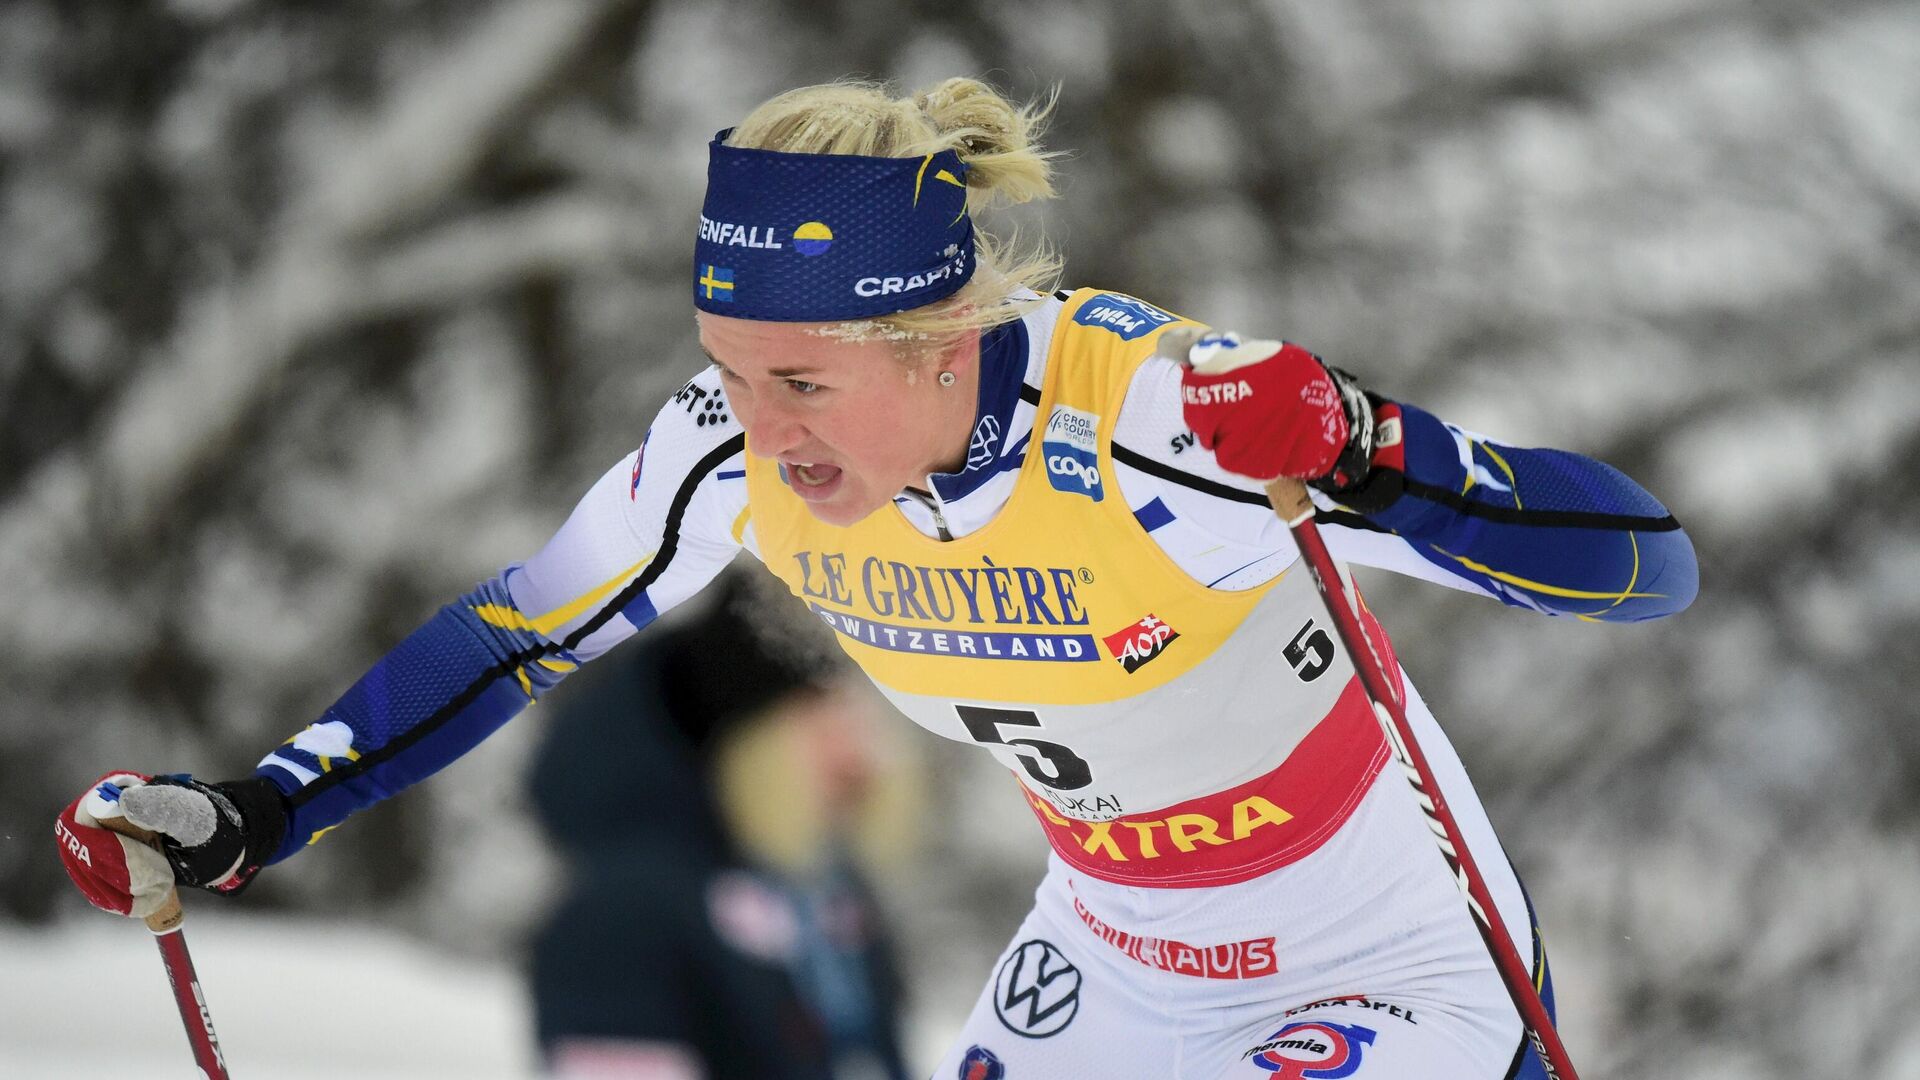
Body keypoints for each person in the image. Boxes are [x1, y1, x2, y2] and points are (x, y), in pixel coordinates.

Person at [56, 77, 1697, 1078]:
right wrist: (261, 808)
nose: (758, 430)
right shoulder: (730, 454)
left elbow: (1647, 561)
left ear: (939, 340)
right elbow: (516, 632)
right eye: (729, 370)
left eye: (803, 383)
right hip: (1120, 963)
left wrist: (1363, 450)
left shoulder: (1161, 426)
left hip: (1385, 961)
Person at [527, 571, 911, 1080]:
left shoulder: (830, 900)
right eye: (821, 717)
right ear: (751, 744)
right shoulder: (621, 917)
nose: (858, 755)